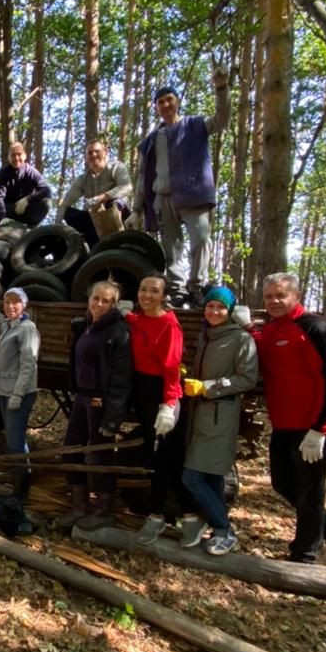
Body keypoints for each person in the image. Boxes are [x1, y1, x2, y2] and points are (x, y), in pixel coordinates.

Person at [253, 272, 326, 570]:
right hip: (284, 424)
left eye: (281, 295)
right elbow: (266, 352)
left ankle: (305, 556)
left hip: (314, 427)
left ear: (296, 295)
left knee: (310, 492)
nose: (275, 301)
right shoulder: (271, 329)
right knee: (283, 485)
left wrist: (321, 429)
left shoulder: (317, 328)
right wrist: (247, 330)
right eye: (269, 296)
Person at [128, 65, 231, 305]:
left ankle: (196, 286)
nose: (165, 105)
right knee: (171, 248)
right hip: (163, 197)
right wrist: (137, 208)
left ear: (177, 101)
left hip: (193, 193)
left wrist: (221, 88)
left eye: (169, 99)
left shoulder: (195, 126)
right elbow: (143, 176)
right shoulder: (152, 140)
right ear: (156, 107)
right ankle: (177, 290)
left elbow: (222, 119)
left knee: (201, 239)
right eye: (160, 102)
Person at [180, 285, 258, 555]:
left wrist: (208, 387)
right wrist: (186, 371)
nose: (214, 311)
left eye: (221, 307)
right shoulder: (207, 335)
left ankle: (225, 531)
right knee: (212, 477)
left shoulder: (240, 339)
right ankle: (216, 524)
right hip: (199, 414)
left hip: (219, 415)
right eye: (211, 306)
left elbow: (247, 378)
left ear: (230, 311)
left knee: (192, 477)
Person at [125, 272, 201, 545]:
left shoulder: (170, 324)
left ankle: (176, 516)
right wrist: (126, 316)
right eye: (143, 289)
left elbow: (171, 368)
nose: (147, 295)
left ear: (164, 295)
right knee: (156, 457)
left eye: (154, 291)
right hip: (143, 393)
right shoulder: (135, 320)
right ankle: (172, 516)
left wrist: (169, 404)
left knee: (166, 459)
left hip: (163, 394)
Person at [56, 280, 133, 530]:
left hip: (100, 401)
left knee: (101, 454)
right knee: (71, 447)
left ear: (114, 304)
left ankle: (102, 510)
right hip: (83, 397)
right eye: (95, 298)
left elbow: (121, 378)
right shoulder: (88, 326)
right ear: (88, 299)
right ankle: (79, 506)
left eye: (106, 300)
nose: (99, 304)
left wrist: (112, 418)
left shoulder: (118, 331)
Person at [0, 287, 40, 496]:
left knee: (15, 442)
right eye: (7, 302)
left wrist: (18, 394)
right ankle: (19, 476)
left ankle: (21, 490)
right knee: (14, 439)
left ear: (24, 304)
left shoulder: (27, 329)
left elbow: (29, 365)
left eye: (15, 302)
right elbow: (2, 323)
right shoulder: (10, 325)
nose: (10, 306)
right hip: (4, 390)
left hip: (19, 392)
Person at [56, 140, 133, 248]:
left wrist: (103, 197)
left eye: (97, 151)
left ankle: (119, 240)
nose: (93, 155)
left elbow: (127, 187)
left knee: (114, 203)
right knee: (69, 213)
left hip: (119, 216)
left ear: (105, 152)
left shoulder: (116, 167)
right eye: (90, 153)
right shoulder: (82, 179)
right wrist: (56, 227)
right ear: (86, 157)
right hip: (95, 220)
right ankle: (89, 245)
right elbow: (65, 203)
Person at [0, 142, 52, 228]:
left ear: (24, 156)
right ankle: (6, 223)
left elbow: (46, 190)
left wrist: (27, 200)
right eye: (13, 155)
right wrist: (3, 216)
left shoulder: (31, 171)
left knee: (47, 203)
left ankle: (31, 226)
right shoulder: (4, 173)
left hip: (28, 210)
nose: (16, 158)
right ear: (9, 157)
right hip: (9, 211)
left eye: (19, 154)